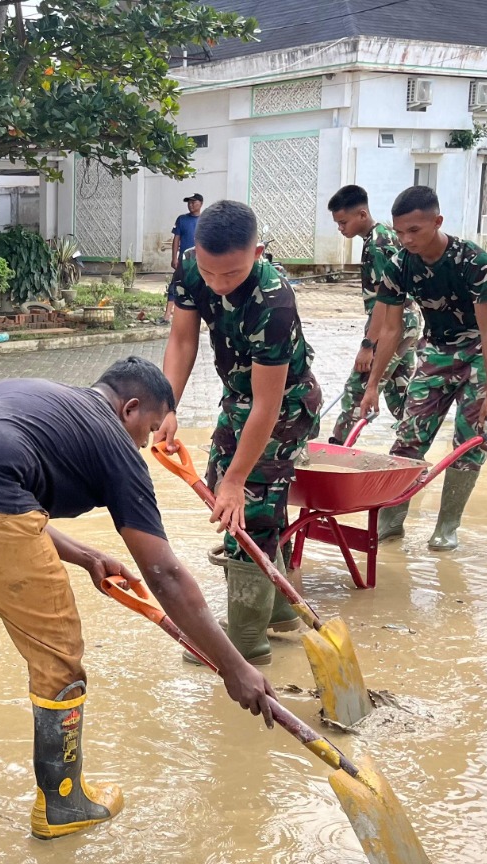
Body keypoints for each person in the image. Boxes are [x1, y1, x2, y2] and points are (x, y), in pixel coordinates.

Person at [0, 358, 278, 840]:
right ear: (130, 408)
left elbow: (2, 483)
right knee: (58, 650)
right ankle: (63, 802)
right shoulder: (114, 444)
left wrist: (85, 555)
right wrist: (234, 667)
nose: (145, 443)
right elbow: (164, 573)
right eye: (150, 429)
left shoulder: (50, 402)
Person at [160, 200, 320, 665]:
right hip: (238, 396)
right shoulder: (192, 267)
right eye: (209, 272)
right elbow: (182, 340)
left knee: (244, 504)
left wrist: (236, 480)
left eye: (230, 274)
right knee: (231, 495)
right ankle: (279, 613)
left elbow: (268, 404)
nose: (217, 283)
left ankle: (247, 642)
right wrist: (166, 405)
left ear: (258, 252)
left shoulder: (274, 301)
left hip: (285, 404)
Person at [362, 186, 487, 551]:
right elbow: (391, 330)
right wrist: (372, 386)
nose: (406, 239)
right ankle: (390, 523)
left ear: (437, 222)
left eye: (414, 230)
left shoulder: (472, 261)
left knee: (471, 438)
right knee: (409, 434)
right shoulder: (399, 265)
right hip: (437, 348)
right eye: (400, 231)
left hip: (479, 348)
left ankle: (446, 527)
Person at [326, 184, 423, 443]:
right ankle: (412, 450)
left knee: (358, 389)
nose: (340, 228)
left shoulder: (377, 245)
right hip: (409, 320)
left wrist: (368, 345)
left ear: (362, 214)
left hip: (394, 322)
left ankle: (337, 451)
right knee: (400, 393)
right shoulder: (386, 235)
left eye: (343, 222)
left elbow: (384, 300)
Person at [171, 193, 204, 271]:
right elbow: (176, 239)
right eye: (189, 203)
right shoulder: (181, 219)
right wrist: (174, 258)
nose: (190, 205)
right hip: (184, 258)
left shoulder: (206, 220)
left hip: (201, 259)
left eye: (193, 202)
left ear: (201, 203)